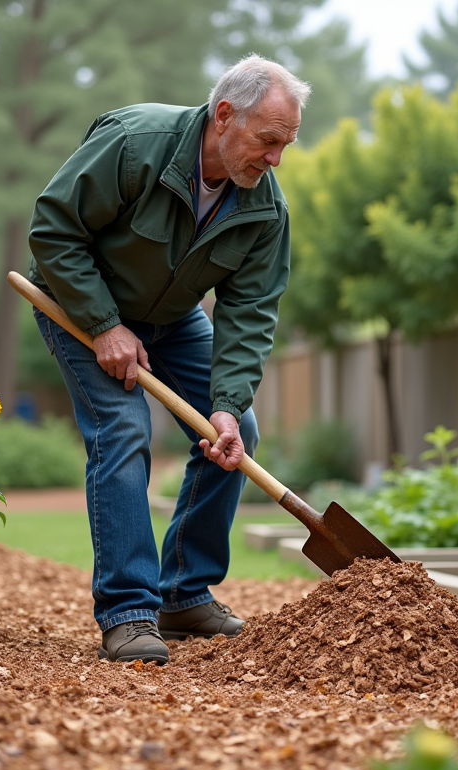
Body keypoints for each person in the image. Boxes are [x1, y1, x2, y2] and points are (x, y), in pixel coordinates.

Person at [27, 55, 310, 665]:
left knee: (237, 433)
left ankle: (183, 592)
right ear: (224, 115)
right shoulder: (137, 144)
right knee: (124, 428)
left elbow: (250, 312)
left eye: (286, 144)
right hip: (77, 302)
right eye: (268, 140)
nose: (275, 159)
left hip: (173, 318)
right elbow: (52, 229)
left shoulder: (264, 209)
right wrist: (104, 325)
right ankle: (129, 610)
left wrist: (229, 406)